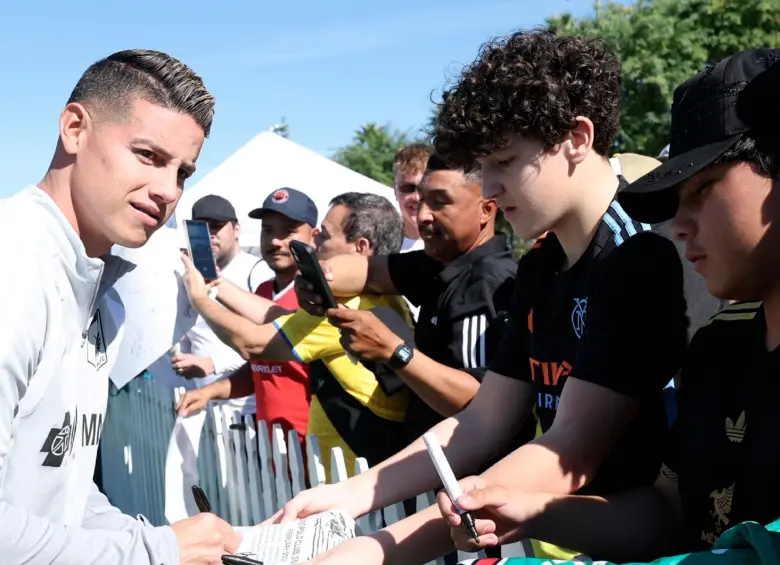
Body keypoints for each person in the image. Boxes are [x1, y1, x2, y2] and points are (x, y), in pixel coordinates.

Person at [276, 30, 688, 565]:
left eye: (505, 161)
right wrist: (350, 497)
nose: (489, 188)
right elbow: (483, 421)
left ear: (577, 137)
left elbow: (571, 450)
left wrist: (376, 551)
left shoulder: (636, 255)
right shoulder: (543, 262)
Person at [435, 49, 780, 563]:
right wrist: (533, 512)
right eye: (674, 199)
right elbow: (668, 513)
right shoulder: (717, 349)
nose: (679, 226)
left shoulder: (634, 262)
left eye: (704, 188)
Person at [0, 50, 240, 564]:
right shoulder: (13, 269)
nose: (167, 191)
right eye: (148, 155)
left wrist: (150, 540)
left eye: (183, 172)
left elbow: (58, 481)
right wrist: (155, 552)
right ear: (74, 128)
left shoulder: (103, 293)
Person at [177, 192, 413, 480]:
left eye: (324, 236)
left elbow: (252, 343)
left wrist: (201, 300)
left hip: (350, 480)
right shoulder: (378, 298)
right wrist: (215, 283)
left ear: (360, 248)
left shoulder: (349, 305)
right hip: (349, 474)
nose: (314, 244)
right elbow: (278, 316)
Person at [179, 188, 318, 447]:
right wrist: (209, 392)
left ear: (314, 237)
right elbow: (259, 368)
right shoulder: (264, 291)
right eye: (268, 230)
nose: (275, 241)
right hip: (269, 449)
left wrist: (201, 298)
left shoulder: (315, 297)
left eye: (288, 231)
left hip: (313, 450)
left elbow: (251, 344)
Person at [164, 194, 265, 523]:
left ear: (237, 230)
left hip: (247, 413)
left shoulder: (256, 272)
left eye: (218, 227)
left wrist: (213, 366)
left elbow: (264, 346)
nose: (210, 235)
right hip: (203, 408)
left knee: (250, 505)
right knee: (214, 502)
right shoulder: (190, 274)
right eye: (202, 228)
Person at [393, 143, 433, 252]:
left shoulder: (452, 249)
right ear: (395, 190)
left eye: (423, 188)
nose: (416, 197)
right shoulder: (379, 247)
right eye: (408, 188)